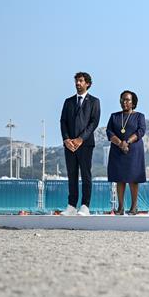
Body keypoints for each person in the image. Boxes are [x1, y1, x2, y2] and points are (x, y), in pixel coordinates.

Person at [59, 72, 101, 216]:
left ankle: (85, 206)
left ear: (87, 83)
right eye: (76, 81)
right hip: (69, 145)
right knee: (71, 175)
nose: (78, 83)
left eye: (81, 81)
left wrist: (80, 139)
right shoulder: (68, 101)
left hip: (86, 144)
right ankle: (71, 205)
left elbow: (93, 123)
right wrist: (66, 139)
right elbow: (63, 121)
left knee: (86, 175)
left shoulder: (94, 101)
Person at [106, 90, 147, 215]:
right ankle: (120, 207)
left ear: (133, 102)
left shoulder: (139, 116)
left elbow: (141, 131)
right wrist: (120, 143)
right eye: (123, 99)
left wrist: (127, 142)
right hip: (117, 151)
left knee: (133, 179)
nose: (125, 102)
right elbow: (109, 132)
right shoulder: (114, 116)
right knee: (120, 179)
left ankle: (134, 207)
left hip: (134, 151)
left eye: (128, 100)